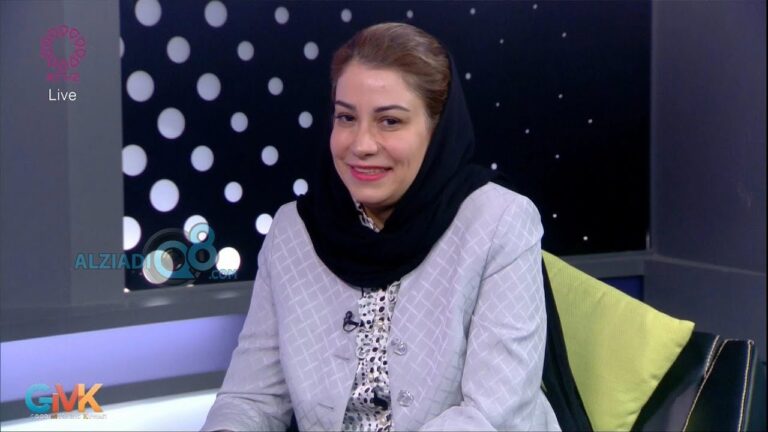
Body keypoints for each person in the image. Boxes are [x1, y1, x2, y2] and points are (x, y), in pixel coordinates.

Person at [202, 22, 563, 431]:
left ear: (437, 128)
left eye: (389, 121)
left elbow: (492, 414)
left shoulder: (500, 221)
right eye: (346, 117)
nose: (361, 145)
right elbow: (252, 398)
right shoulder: (292, 231)